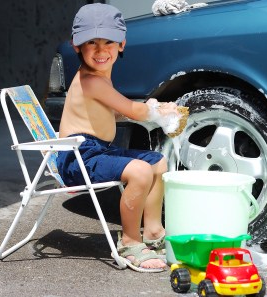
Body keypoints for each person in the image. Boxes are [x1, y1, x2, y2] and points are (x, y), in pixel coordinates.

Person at [56, 3, 180, 273]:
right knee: (139, 171)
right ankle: (130, 242)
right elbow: (134, 110)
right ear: (77, 46)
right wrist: (158, 111)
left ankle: (154, 231)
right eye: (91, 43)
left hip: (96, 151)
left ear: (121, 44)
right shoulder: (91, 81)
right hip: (78, 157)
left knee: (158, 162)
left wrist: (146, 109)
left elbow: (113, 113)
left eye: (108, 42)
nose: (101, 51)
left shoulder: (99, 79)